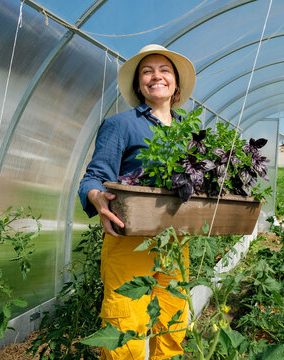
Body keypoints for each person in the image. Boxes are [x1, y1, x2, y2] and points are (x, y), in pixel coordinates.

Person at [78, 44, 196, 360]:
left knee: (172, 325)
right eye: (147, 71)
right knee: (124, 330)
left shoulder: (190, 133)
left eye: (164, 70)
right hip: (128, 241)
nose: (156, 76)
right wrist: (96, 197)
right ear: (139, 85)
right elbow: (93, 178)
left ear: (176, 86)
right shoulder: (121, 125)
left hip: (175, 243)